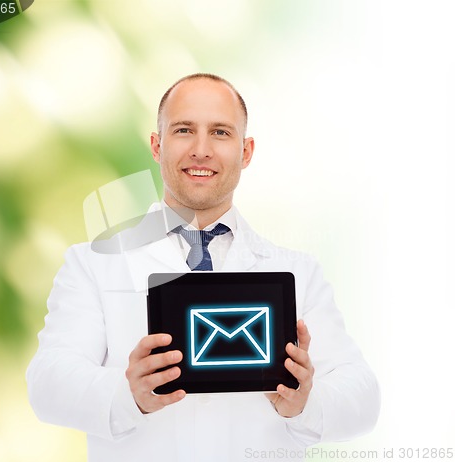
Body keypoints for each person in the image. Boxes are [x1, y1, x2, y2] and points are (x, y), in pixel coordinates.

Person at [27, 73, 380, 462]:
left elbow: (363, 397)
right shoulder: (93, 264)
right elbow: (47, 384)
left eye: (220, 133)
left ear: (246, 152)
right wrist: (128, 395)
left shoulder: (299, 273)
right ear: (157, 146)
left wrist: (304, 403)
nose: (201, 149)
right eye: (183, 130)